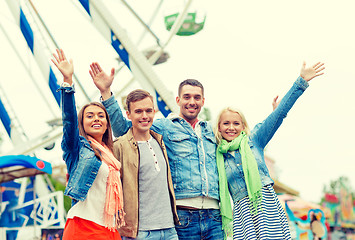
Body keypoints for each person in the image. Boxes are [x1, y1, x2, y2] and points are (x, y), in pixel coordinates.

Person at [89, 62, 224, 240]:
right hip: (184, 215)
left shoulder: (211, 130)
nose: (192, 102)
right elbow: (124, 129)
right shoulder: (163, 128)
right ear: (178, 100)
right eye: (187, 97)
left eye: (197, 98)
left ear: (203, 101)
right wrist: (106, 93)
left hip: (214, 215)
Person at [214, 62, 325, 240]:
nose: (231, 128)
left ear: (243, 126)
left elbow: (279, 114)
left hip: (266, 207)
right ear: (218, 128)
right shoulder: (217, 154)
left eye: (236, 123)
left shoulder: (254, 140)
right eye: (226, 123)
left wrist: (301, 81)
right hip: (243, 216)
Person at [51, 49, 124, 240]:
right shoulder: (76, 148)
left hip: (109, 227)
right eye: (89, 116)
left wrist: (106, 92)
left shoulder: (111, 154)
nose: (96, 119)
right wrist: (67, 81)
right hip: (83, 225)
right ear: (82, 123)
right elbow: (68, 121)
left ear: (107, 123)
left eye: (101, 116)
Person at [104, 88, 180, 239]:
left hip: (170, 229)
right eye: (138, 111)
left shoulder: (161, 141)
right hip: (140, 233)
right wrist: (105, 92)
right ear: (128, 115)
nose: (144, 116)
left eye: (148, 111)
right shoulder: (119, 146)